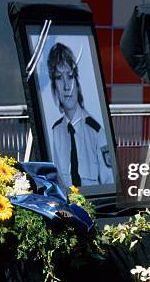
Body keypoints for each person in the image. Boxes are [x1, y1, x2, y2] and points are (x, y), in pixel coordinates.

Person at [47, 43, 113, 187]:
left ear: (77, 82)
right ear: (54, 86)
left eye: (70, 77)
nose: (66, 86)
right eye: (59, 78)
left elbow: (109, 185)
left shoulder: (97, 131)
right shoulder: (56, 131)